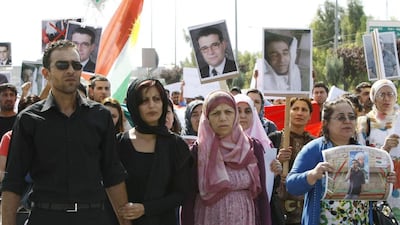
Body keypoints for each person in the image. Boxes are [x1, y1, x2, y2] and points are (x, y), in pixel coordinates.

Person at [1, 40, 130, 225]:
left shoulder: (101, 116)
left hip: (94, 217)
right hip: (45, 217)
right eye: (62, 65)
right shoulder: (28, 119)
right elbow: (13, 180)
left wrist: (125, 222)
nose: (71, 70)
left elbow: (113, 174)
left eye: (76, 65)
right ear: (46, 73)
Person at [286, 97, 397, 225]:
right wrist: (312, 175)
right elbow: (291, 185)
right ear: (326, 122)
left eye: (351, 117)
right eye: (341, 117)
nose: (347, 121)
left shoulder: (363, 152)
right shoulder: (314, 149)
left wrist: (384, 181)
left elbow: (369, 192)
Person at [181, 90, 271, 225]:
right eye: (216, 113)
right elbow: (188, 199)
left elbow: (262, 195)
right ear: (207, 118)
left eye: (228, 112)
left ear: (235, 115)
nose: (222, 118)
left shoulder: (252, 147)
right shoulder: (198, 151)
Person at [114, 78, 192, 225]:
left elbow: (182, 193)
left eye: (157, 99)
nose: (152, 105)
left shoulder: (176, 145)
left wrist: (145, 208)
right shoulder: (119, 144)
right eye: (144, 101)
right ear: (133, 105)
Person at [357, 79, 400, 220]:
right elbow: (359, 162)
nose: (387, 99)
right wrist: (385, 149)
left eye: (390, 94)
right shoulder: (364, 123)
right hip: (379, 186)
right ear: (373, 97)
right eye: (382, 95)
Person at [268, 97, 315, 225]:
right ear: (288, 112)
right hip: (279, 207)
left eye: (304, 110)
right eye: (295, 109)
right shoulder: (274, 139)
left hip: (305, 207)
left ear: (310, 115)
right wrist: (278, 160)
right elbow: (263, 172)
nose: (299, 113)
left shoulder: (314, 143)